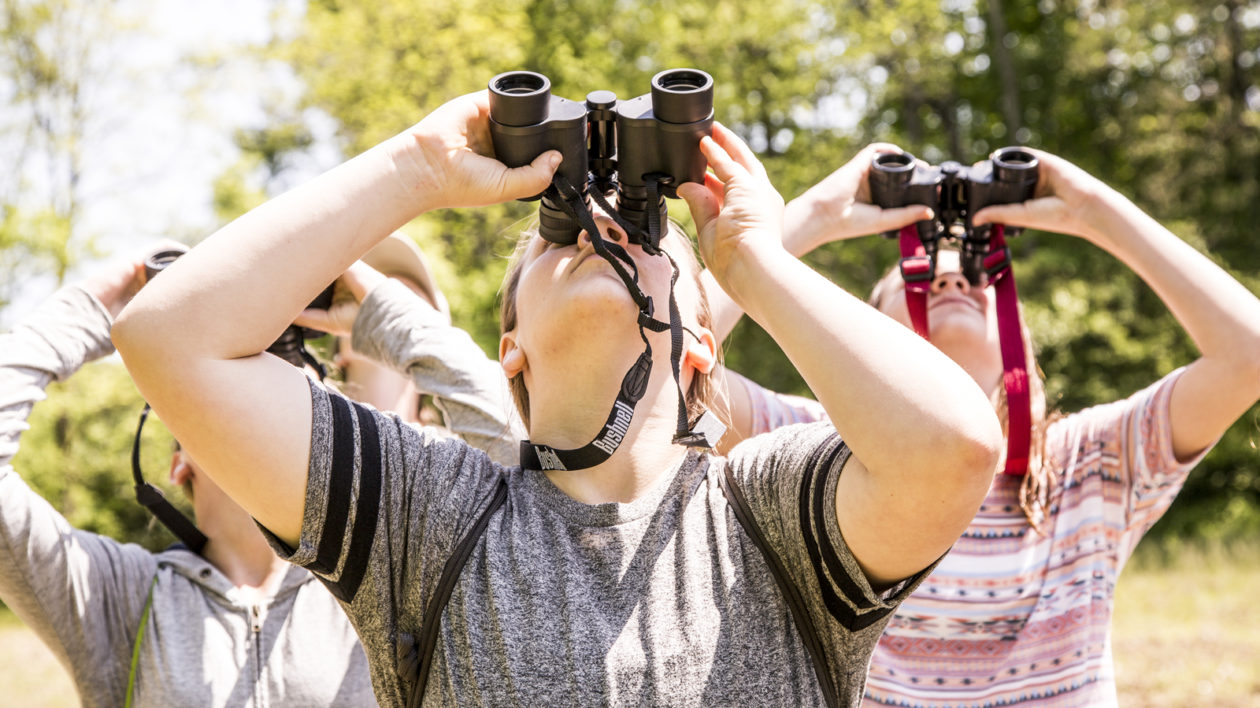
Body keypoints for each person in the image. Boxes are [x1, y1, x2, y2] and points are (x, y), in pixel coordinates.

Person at [111, 90, 1004, 706]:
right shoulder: (428, 517)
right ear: (511, 353)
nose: (602, 228)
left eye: (647, 236)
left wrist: (755, 259)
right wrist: (419, 167)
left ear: (701, 345)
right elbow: (168, 339)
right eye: (556, 236)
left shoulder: (766, 512)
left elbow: (954, 447)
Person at [715, 144, 1260, 706]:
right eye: (919, 276)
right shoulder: (813, 451)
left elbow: (1249, 355)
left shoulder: (1088, 461)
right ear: (868, 329)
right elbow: (666, 368)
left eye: (979, 276)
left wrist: (1092, 207)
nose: (953, 281)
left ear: (1020, 343)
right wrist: (808, 220)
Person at [0, 234, 504, 707]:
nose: (256, 409)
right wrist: (101, 311)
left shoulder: (383, 579)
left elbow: (524, 477)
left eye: (287, 390)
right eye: (220, 392)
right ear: (180, 463)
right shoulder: (118, 597)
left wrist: (383, 315)